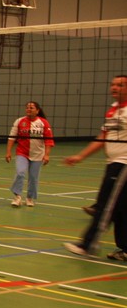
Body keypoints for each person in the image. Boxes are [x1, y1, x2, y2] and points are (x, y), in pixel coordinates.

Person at [63, 74, 127, 261]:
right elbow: (102, 137)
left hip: (123, 164)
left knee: (106, 205)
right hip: (113, 163)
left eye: (120, 85)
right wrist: (80, 156)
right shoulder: (113, 110)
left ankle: (88, 245)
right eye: (113, 84)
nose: (114, 87)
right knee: (121, 209)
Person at [5, 101, 54, 207]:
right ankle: (17, 197)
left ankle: (29, 198)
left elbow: (49, 140)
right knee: (20, 172)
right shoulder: (19, 121)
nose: (28, 109)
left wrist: (47, 155)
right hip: (22, 152)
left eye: (31, 108)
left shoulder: (43, 123)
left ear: (37, 110)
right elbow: (12, 138)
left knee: (33, 177)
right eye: (27, 107)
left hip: (38, 154)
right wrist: (8, 152)